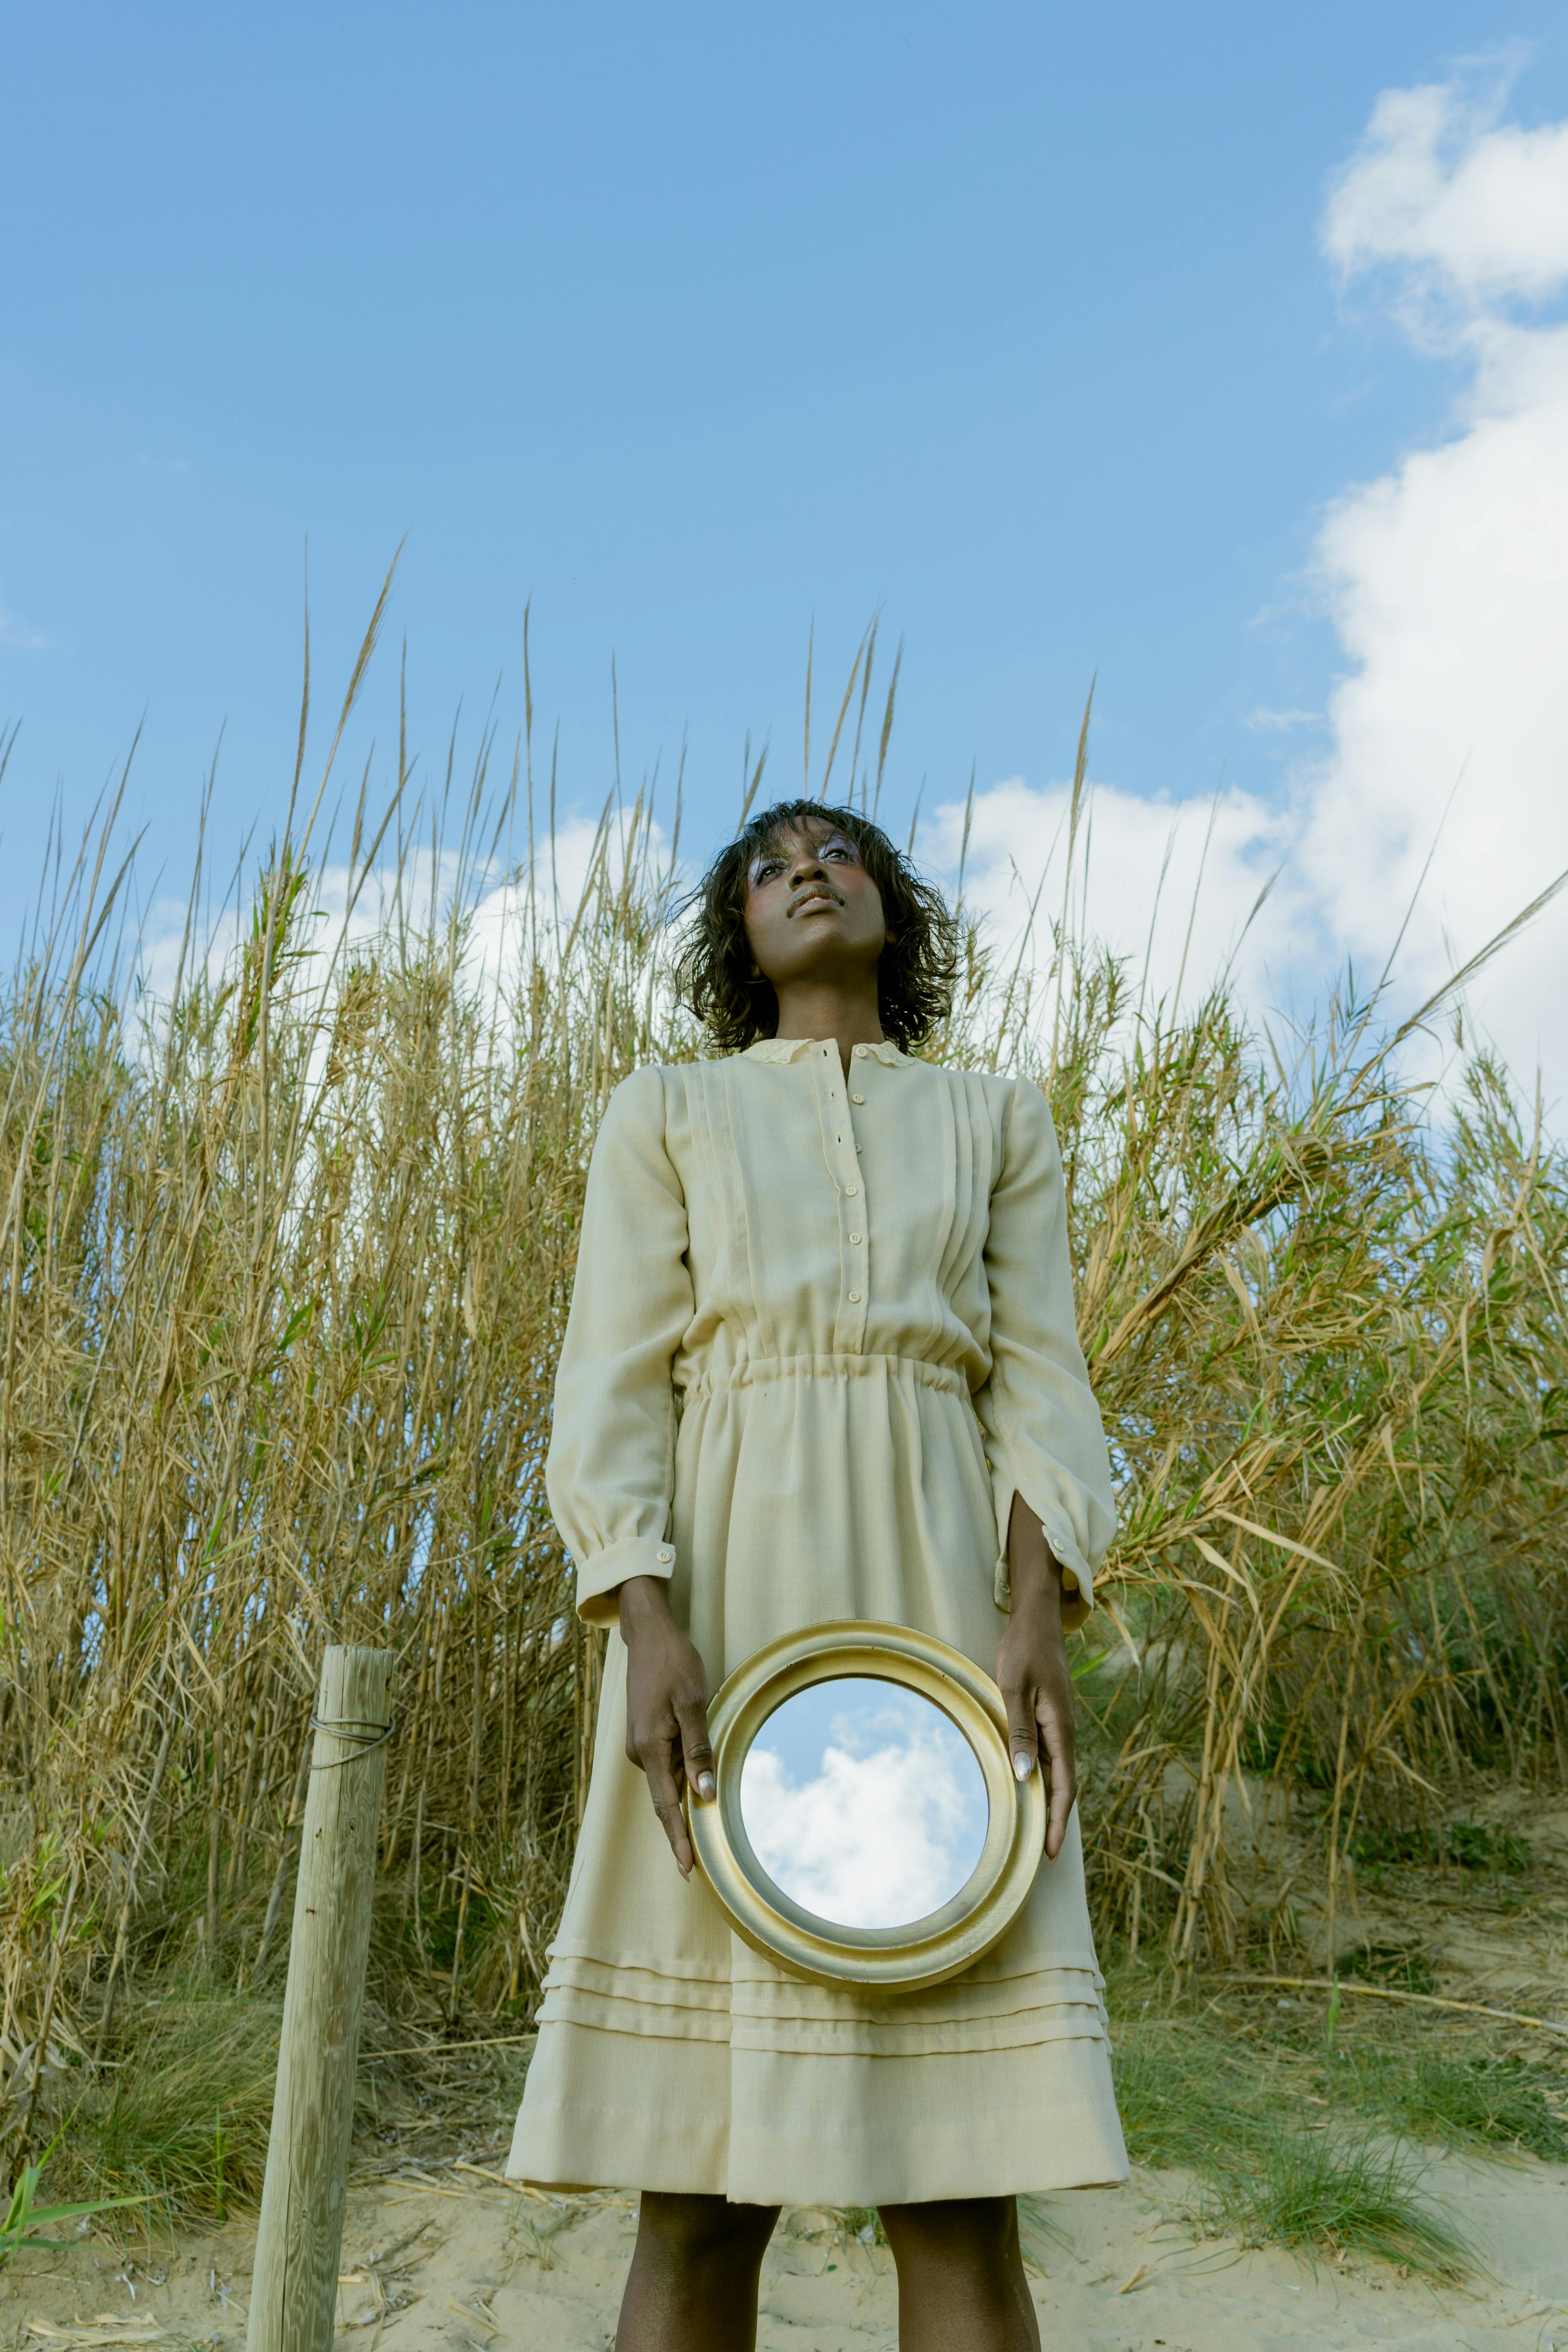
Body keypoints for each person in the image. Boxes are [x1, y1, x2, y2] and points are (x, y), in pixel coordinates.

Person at [508, 800, 1126, 2351]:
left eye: (838, 854)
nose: (807, 873)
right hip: (727, 1611)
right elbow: (612, 1386)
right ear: (742, 933)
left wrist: (1034, 1610)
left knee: (961, 2195)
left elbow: (1041, 1384)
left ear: (891, 909)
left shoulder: (996, 1115)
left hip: (936, 1618)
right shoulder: (668, 1108)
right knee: (697, 2196)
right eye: (771, 866)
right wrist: (642, 1618)